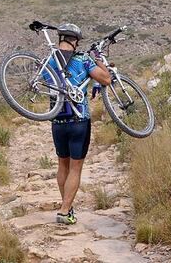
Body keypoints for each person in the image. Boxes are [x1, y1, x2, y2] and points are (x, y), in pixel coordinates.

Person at [47, 23, 111, 224]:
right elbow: (106, 79)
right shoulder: (82, 59)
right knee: (75, 168)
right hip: (79, 120)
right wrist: (99, 61)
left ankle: (67, 206)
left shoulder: (50, 60)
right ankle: (65, 211)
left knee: (62, 165)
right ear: (74, 41)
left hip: (57, 120)